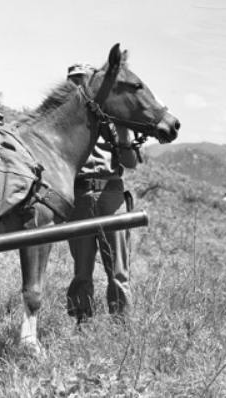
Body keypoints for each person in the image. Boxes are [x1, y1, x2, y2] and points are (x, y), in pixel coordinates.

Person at [65, 63, 139, 324]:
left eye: (82, 80)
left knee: (118, 269)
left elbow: (130, 161)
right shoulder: (63, 123)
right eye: (73, 81)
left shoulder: (113, 117)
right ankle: (82, 323)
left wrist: (123, 134)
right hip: (79, 194)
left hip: (110, 193)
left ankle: (121, 325)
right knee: (82, 268)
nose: (77, 86)